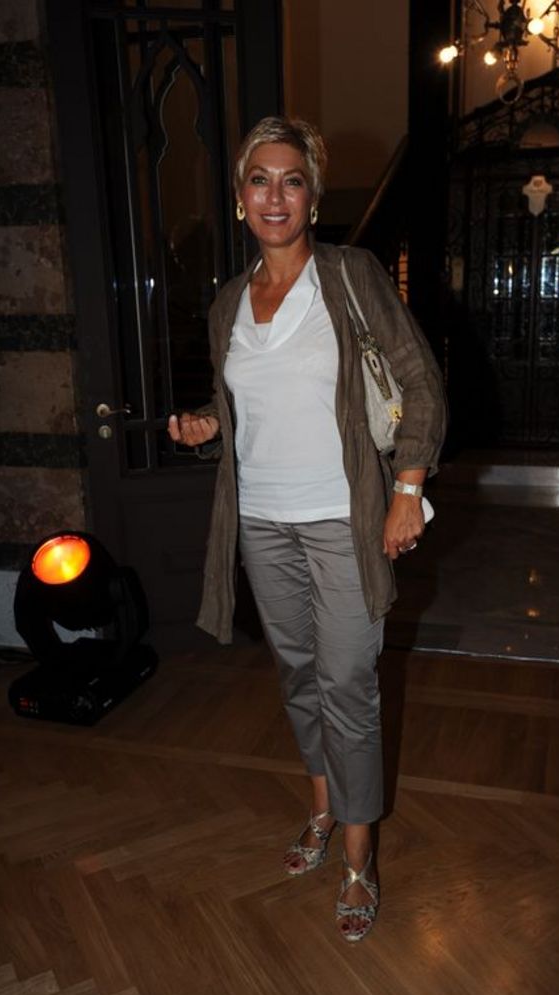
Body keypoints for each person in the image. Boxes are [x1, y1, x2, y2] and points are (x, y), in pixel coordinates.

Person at [168, 116, 446, 943]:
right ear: (240, 196)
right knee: (297, 676)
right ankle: (322, 808)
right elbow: (243, 403)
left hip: (342, 519)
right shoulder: (228, 302)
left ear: (313, 198)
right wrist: (205, 423)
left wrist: (407, 488)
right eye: (260, 179)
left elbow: (420, 384)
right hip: (261, 521)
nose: (275, 195)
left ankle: (359, 858)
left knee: (349, 685)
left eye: (292, 180)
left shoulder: (352, 276)